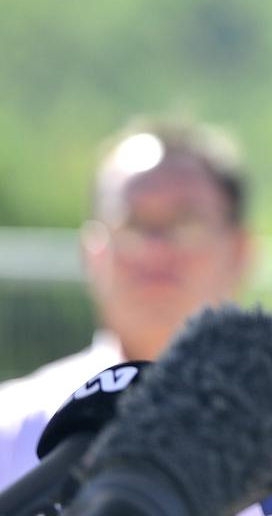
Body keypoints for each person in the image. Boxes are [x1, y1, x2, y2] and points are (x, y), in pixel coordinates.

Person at [0, 117, 251, 490]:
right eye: (131, 223)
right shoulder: (13, 431)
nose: (155, 249)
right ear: (91, 250)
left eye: (186, 223)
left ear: (240, 251)